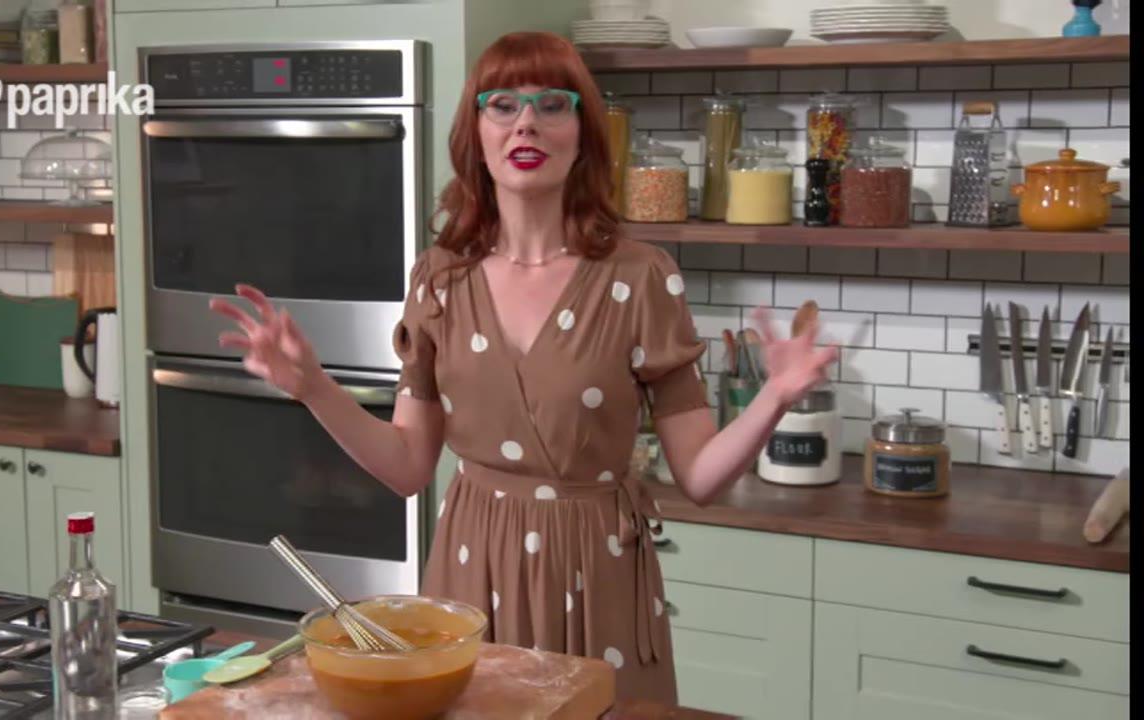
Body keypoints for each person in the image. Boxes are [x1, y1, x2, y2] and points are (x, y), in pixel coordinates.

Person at [209, 31, 837, 704]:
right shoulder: (439, 279)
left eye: (552, 104)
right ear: (476, 134)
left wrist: (774, 396)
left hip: (598, 572)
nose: (526, 123)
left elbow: (702, 476)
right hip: (472, 567)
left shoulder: (642, 278)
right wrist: (313, 388)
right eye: (503, 105)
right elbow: (408, 465)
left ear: (584, 135)